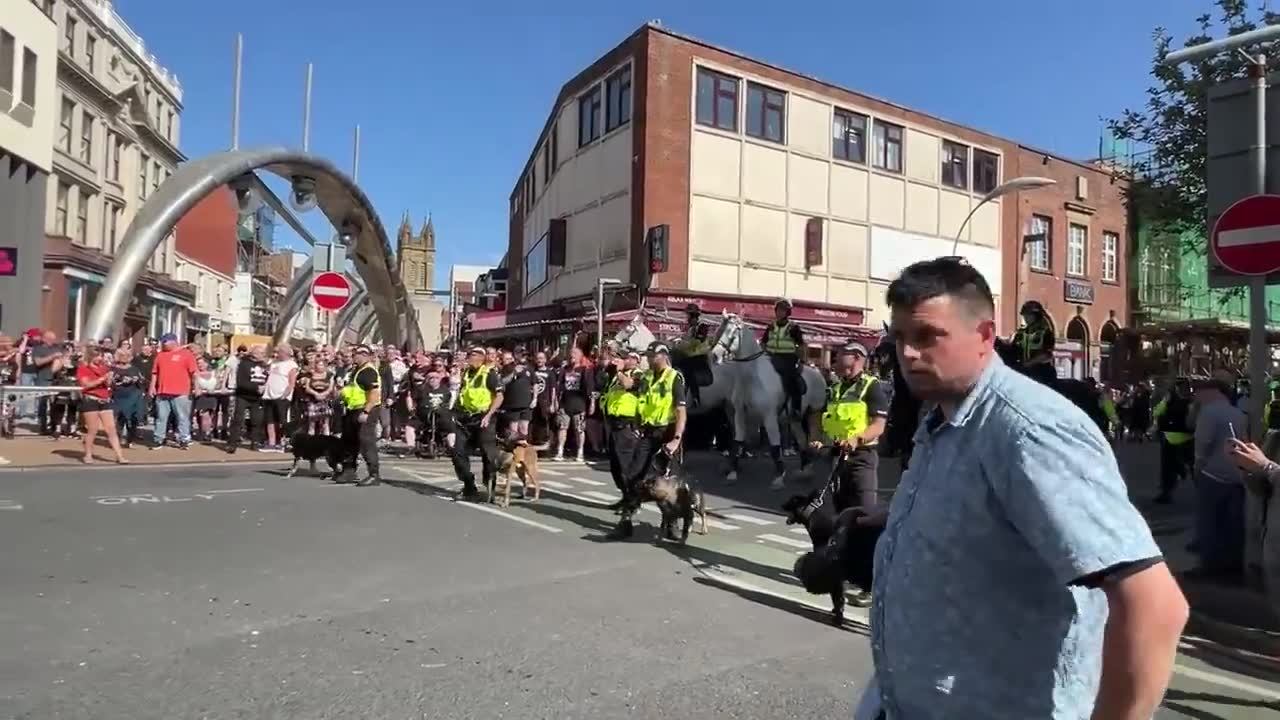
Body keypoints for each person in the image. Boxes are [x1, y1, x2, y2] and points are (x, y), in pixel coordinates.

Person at [853, 257, 1187, 720]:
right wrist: (900, 522)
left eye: (928, 337)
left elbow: (1154, 604)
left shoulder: (1029, 430)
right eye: (900, 338)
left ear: (986, 337)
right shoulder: (942, 415)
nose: (908, 354)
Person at [609, 341, 688, 540]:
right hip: (648, 432)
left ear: (663, 356)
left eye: (652, 356)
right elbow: (628, 386)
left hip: (668, 433)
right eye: (648, 356)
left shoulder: (674, 378)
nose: (649, 359)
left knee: (669, 483)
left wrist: (676, 440)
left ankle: (671, 524)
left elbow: (680, 411)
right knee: (633, 477)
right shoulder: (646, 376)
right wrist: (617, 370)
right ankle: (625, 522)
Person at [813, 341, 888, 512]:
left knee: (864, 510)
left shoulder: (871, 386)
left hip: (861, 458)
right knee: (840, 511)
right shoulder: (834, 388)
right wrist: (817, 438)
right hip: (835, 457)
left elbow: (879, 425)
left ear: (856, 358)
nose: (837, 356)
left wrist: (856, 439)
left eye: (842, 353)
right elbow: (820, 417)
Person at [1190, 371, 1247, 580]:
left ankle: (1210, 567)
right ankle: (1232, 565)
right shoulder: (1238, 414)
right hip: (1236, 474)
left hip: (1212, 475)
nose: (1197, 396)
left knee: (1209, 522)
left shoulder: (1209, 413)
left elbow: (1202, 444)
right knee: (1232, 524)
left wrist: (1198, 467)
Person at [448, 347, 504, 499]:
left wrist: (489, 415)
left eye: (473, 356)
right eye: (469, 355)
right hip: (465, 418)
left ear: (481, 358)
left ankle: (489, 487)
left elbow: (499, 397)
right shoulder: (466, 373)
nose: (470, 358)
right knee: (457, 451)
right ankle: (469, 486)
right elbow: (463, 393)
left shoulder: (489, 374)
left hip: (484, 418)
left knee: (489, 455)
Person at [602, 349, 644, 510]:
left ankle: (633, 501)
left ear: (635, 360)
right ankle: (626, 496)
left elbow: (628, 385)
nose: (620, 360)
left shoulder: (639, 375)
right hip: (613, 424)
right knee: (615, 466)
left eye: (626, 358)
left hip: (627, 425)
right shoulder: (615, 375)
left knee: (626, 466)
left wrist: (619, 371)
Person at [337, 345, 382, 486]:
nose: (353, 356)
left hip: (365, 409)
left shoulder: (368, 371)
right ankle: (349, 471)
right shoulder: (356, 370)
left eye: (355, 354)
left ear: (364, 355)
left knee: (366, 440)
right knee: (349, 440)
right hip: (352, 409)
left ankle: (374, 474)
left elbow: (373, 394)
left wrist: (366, 411)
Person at [76, 347, 127, 465]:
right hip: (91, 399)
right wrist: (102, 379)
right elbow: (86, 384)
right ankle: (88, 455)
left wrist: (109, 379)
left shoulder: (104, 368)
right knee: (92, 429)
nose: (100, 359)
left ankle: (119, 456)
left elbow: (108, 384)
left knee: (111, 429)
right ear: (90, 357)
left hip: (105, 399)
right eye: (97, 356)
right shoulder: (83, 369)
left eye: (101, 356)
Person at [149, 334, 196, 449]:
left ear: (173, 342)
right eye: (163, 342)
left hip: (181, 392)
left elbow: (194, 372)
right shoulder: (160, 356)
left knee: (182, 417)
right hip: (162, 391)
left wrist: (196, 386)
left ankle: (184, 439)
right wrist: (152, 386)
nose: (163, 344)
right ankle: (158, 439)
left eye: (165, 342)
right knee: (161, 417)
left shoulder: (186, 354)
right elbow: (155, 372)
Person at [1152, 378, 1194, 504]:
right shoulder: (1193, 401)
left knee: (1168, 467)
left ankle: (1167, 492)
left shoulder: (1170, 400)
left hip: (1170, 437)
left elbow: (1157, 411)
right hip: (1188, 437)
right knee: (1193, 465)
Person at [761, 298, 805, 416]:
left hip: (788, 358)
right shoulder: (771, 326)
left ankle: (796, 408)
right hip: (771, 357)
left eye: (782, 311)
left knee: (791, 380)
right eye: (778, 310)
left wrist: (801, 361)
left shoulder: (793, 327)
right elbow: (763, 342)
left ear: (787, 313)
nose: (779, 313)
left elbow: (801, 345)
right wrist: (764, 351)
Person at [553, 346, 593, 462]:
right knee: (562, 427)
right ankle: (560, 451)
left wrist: (592, 403)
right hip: (565, 402)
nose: (572, 356)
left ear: (580, 356)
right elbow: (558, 386)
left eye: (575, 354)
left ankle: (580, 452)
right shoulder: (564, 369)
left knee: (579, 429)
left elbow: (590, 388)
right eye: (571, 354)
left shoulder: (585, 370)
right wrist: (556, 401)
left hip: (579, 403)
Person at [226, 345, 269, 453]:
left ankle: (255, 442)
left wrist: (265, 387)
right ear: (254, 354)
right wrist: (256, 388)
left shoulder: (265, 366)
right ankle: (232, 443)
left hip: (257, 398)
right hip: (243, 396)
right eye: (261, 353)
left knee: (257, 421)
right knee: (238, 420)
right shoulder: (244, 364)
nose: (263, 355)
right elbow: (241, 382)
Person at [675, 303, 713, 407]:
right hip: (690, 355)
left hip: (699, 356)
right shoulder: (691, 328)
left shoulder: (702, 326)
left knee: (689, 371)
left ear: (692, 315)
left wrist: (682, 344)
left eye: (688, 315)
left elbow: (697, 341)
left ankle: (695, 398)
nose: (686, 318)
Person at [262, 345, 298, 451]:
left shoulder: (291, 365)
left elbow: (292, 382)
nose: (276, 354)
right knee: (270, 420)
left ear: (284, 353)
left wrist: (285, 394)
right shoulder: (273, 363)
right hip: (269, 396)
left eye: (278, 352)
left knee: (281, 421)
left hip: (282, 396)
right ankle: (271, 443)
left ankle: (282, 442)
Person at [1012, 300, 1057, 385]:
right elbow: (1013, 351)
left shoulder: (1045, 333)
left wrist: (1027, 364)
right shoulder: (1020, 334)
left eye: (1029, 315)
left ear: (1036, 316)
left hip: (1042, 372)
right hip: (1023, 372)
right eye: (1025, 315)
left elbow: (1047, 355)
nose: (1026, 318)